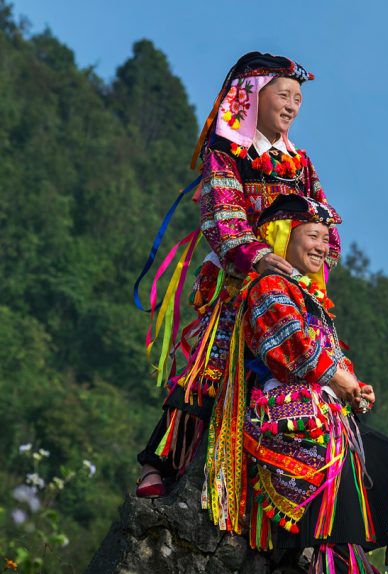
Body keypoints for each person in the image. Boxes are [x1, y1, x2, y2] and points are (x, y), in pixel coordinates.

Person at [136, 52, 341, 497]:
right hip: (237, 280)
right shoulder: (226, 152)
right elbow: (223, 215)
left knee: (292, 364)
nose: (292, 106)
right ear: (252, 97)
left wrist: (320, 254)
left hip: (292, 287)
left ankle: (275, 469)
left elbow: (324, 219)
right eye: (283, 95)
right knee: (209, 371)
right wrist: (258, 256)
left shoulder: (299, 164)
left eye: (298, 100)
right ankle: (164, 464)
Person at [204, 195, 388, 574]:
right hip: (287, 411)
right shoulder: (267, 287)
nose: (322, 246)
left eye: (326, 239)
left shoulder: (308, 296)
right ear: (282, 238)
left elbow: (331, 357)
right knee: (334, 458)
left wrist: (356, 388)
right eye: (313, 235)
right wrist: (342, 380)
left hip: (329, 410)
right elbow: (295, 348)